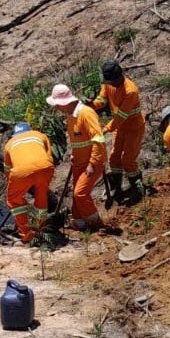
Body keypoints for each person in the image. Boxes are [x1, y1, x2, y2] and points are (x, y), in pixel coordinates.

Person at [46, 83, 106, 231]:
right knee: (76, 195)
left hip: (92, 163)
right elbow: (79, 140)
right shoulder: (70, 117)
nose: (57, 109)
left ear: (65, 103)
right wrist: (74, 155)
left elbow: (98, 140)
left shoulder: (86, 114)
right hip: (79, 163)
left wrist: (92, 163)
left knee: (80, 193)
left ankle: (96, 223)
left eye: (58, 105)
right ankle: (79, 223)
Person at [90, 60, 145, 204]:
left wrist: (105, 129)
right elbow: (101, 100)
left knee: (128, 159)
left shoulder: (130, 90)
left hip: (133, 128)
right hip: (120, 128)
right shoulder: (108, 84)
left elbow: (121, 116)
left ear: (119, 76)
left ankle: (137, 187)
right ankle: (116, 186)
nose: (110, 84)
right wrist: (91, 104)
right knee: (114, 158)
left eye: (112, 81)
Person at [3, 122, 54, 245]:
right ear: (29, 130)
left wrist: (15, 184)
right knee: (41, 195)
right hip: (45, 167)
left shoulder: (9, 144)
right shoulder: (40, 135)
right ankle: (39, 229)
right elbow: (49, 157)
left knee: (13, 200)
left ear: (15, 134)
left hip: (21, 172)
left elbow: (7, 170)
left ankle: (27, 234)